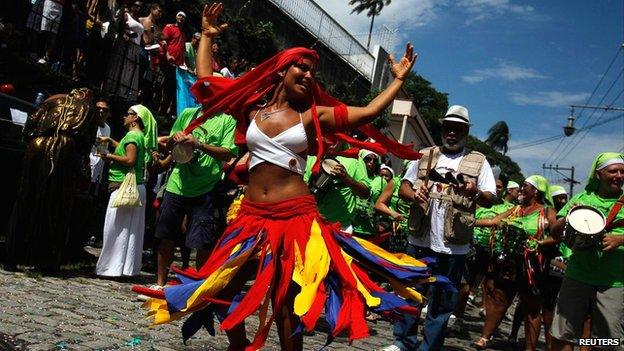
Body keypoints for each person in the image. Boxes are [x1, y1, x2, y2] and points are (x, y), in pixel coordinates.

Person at [132, 3, 440, 351]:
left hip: (294, 219)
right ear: (282, 69)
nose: (308, 75)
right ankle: (239, 345)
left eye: (313, 72)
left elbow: (368, 112)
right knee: (219, 288)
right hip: (249, 218)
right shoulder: (252, 109)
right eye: (301, 67)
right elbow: (207, 83)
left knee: (286, 304)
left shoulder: (312, 117)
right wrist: (206, 33)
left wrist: (398, 80)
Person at [386, 105, 497, 351]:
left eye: (458, 129)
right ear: (443, 129)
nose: (452, 133)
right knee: (410, 291)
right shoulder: (424, 155)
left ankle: (429, 347)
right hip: (419, 240)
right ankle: (402, 343)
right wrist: (415, 194)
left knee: (442, 301)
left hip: (453, 246)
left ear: (465, 132)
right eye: (448, 128)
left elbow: (490, 197)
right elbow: (403, 187)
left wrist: (474, 191)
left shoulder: (479, 162)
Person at [5, 88, 96, 273]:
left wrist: (30, 139)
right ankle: (45, 260)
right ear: (86, 96)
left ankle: (12, 257)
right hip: (65, 148)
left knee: (26, 199)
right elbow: (86, 142)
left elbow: (30, 123)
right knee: (56, 205)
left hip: (37, 145)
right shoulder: (88, 108)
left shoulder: (54, 99)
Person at [151, 102, 238, 288]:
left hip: (206, 188)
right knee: (166, 235)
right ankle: (160, 283)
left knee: (202, 241)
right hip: (177, 184)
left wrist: (198, 143)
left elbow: (228, 153)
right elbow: (168, 146)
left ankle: (197, 288)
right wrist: (174, 139)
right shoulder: (188, 114)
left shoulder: (227, 120)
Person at [471, 175, 558, 350]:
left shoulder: (547, 211)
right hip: (510, 263)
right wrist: (471, 222)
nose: (521, 189)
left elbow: (556, 236)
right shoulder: (516, 209)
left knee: (532, 307)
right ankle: (485, 338)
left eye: (525, 186)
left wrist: (541, 243)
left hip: (533, 265)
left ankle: (529, 348)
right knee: (499, 299)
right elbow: (494, 221)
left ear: (536, 191)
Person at [550, 152, 624, 351]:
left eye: (622, 171)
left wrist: (620, 239)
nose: (619, 175)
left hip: (613, 281)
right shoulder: (581, 198)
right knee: (563, 334)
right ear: (598, 174)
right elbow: (555, 232)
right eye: (613, 171)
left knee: (607, 341)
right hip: (577, 275)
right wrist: (567, 219)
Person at [95, 104, 156, 277]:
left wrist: (109, 156)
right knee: (129, 231)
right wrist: (111, 141)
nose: (124, 117)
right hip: (136, 186)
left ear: (135, 118)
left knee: (115, 228)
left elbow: (129, 159)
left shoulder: (131, 136)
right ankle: (125, 268)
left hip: (124, 186)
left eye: (127, 114)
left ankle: (110, 268)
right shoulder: (139, 136)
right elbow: (128, 149)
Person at [451, 174, 514, 333]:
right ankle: (457, 317)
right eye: (493, 186)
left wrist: (475, 223)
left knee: (492, 290)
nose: (495, 189)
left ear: (503, 189)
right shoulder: (477, 203)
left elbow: (500, 222)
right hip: (474, 248)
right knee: (465, 286)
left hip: (496, 253)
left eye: (498, 187)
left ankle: (488, 330)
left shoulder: (509, 208)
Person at [101, 2, 144, 102]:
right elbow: (120, 27)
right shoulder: (126, 14)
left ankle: (122, 94)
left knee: (129, 70)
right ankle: (110, 90)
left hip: (135, 47)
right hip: (124, 45)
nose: (138, 8)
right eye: (136, 6)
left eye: (140, 7)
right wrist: (124, 34)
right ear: (132, 6)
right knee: (119, 66)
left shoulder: (139, 20)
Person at [86, 98, 112, 247]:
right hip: (88, 166)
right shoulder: (89, 124)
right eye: (98, 109)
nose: (101, 111)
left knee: (94, 202)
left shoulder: (107, 128)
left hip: (99, 169)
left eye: (104, 110)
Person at [375, 162, 411, 253]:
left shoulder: (420, 185)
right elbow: (379, 204)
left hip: (413, 233)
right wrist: (393, 213)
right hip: (395, 230)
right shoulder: (395, 182)